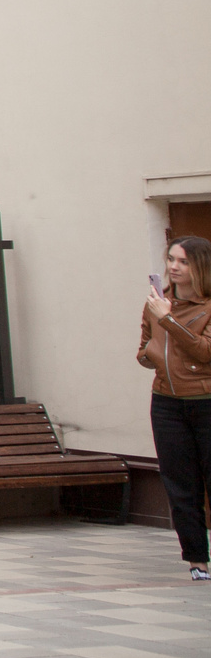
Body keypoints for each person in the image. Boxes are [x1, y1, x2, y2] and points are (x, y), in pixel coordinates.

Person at [140, 236, 211, 581]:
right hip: (167, 403)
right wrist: (147, 355)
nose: (173, 267)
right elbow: (143, 345)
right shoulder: (157, 303)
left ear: (199, 266)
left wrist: (168, 321)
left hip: (206, 401)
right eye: (171, 259)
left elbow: (205, 351)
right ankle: (197, 560)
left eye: (182, 261)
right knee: (180, 485)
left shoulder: (207, 306)